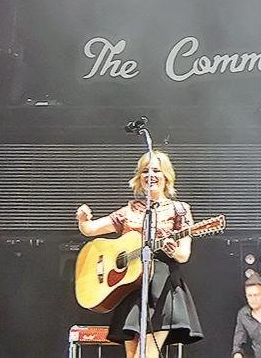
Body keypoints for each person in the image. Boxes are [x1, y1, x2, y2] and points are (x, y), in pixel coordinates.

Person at [76, 151, 203, 358]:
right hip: (132, 287)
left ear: (166, 176)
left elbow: (183, 255)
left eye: (156, 171)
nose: (150, 175)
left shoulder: (179, 210)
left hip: (162, 288)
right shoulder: (129, 211)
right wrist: (83, 219)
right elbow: (90, 230)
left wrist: (172, 250)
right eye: (145, 171)